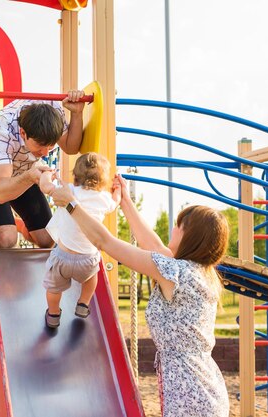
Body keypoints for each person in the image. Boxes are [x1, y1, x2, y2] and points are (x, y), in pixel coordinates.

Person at [50, 176, 230, 417]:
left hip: (191, 393)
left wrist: (71, 205)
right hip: (200, 387)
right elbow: (155, 248)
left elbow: (105, 242)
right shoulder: (197, 272)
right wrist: (126, 203)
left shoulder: (177, 273)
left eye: (179, 226)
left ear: (191, 236)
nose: (174, 229)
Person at [0, 90, 86, 249]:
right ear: (23, 133)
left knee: (47, 239)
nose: (44, 153)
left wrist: (77, 113)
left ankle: (19, 225)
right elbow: (0, 193)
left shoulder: (52, 113)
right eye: (40, 146)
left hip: (23, 171)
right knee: (6, 240)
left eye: (50, 147)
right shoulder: (1, 132)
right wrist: (30, 177)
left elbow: (71, 147)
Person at [38, 152, 120, 328]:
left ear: (75, 175)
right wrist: (118, 189)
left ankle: (53, 314)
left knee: (53, 289)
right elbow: (116, 201)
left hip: (62, 257)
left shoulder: (70, 191)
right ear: (103, 180)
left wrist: (47, 174)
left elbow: (45, 186)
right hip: (87, 260)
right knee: (91, 279)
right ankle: (83, 303)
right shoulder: (104, 199)